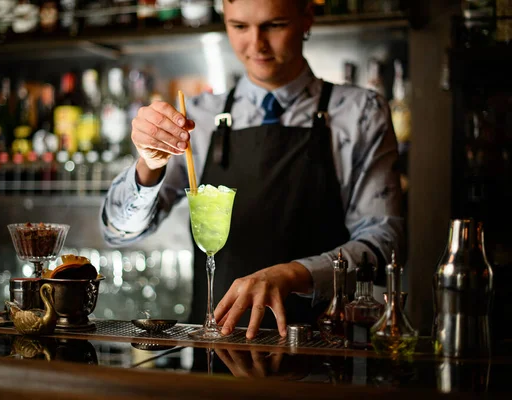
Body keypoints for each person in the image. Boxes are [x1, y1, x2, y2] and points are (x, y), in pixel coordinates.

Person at [100, 0, 404, 340]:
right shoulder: (198, 116)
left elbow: (384, 243)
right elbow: (119, 232)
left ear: (307, 17)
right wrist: (148, 167)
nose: (256, 44)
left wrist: (294, 274)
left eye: (274, 25)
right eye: (240, 27)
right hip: (218, 351)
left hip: (323, 351)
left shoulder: (360, 113)